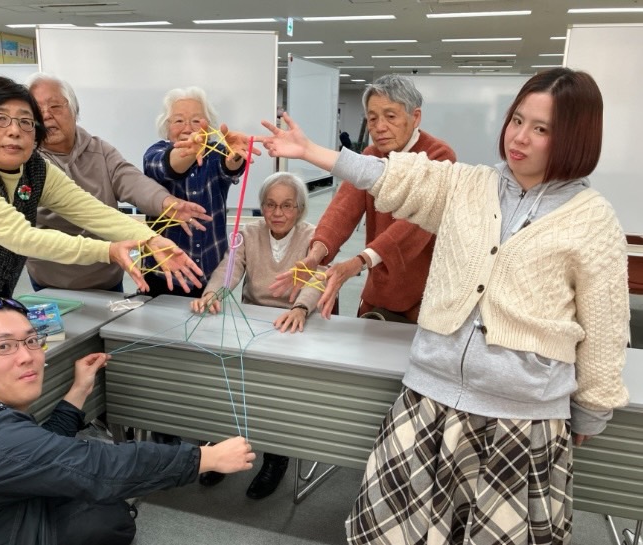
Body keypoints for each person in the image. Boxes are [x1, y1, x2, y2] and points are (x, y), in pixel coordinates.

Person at [259, 68, 630, 544]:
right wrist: (312, 152)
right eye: (517, 120)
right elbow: (394, 178)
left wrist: (593, 407)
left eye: (541, 129)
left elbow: (605, 324)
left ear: (575, 137)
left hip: (520, 415)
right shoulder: (470, 185)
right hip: (428, 399)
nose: (519, 137)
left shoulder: (592, 219)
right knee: (390, 533)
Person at [0, 297, 255, 545]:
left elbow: (40, 454)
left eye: (31, 341)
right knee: (105, 517)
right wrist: (205, 458)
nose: (27, 356)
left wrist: (79, 391)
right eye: (3, 346)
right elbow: (99, 466)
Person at [0, 76, 202, 325]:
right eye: (0, 119)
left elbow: (90, 210)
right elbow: (20, 237)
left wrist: (150, 240)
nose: (14, 131)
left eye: (25, 122)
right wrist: (108, 250)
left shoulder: (35, 168)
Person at [273, 75, 456, 322]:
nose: (379, 127)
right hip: (379, 288)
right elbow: (342, 210)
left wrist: (358, 262)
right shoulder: (372, 154)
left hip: (424, 292)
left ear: (415, 117)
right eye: (372, 118)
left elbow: (412, 226)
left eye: (390, 116)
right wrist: (314, 256)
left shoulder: (439, 156)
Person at [190, 172, 323, 498]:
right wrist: (213, 294)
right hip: (254, 321)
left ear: (300, 209)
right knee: (230, 382)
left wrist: (301, 308)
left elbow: (319, 277)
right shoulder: (248, 233)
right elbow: (229, 268)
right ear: (262, 207)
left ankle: (276, 456)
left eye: (287, 205)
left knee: (278, 391)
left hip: (294, 323)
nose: (278, 212)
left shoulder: (313, 237)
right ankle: (222, 449)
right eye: (270, 204)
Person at [24, 73, 212, 292]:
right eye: (37, 109)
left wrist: (166, 202)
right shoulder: (27, 162)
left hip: (106, 279)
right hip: (50, 283)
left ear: (74, 110)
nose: (46, 115)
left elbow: (129, 179)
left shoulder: (99, 150)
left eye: (55, 106)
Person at [143, 86, 252, 299]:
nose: (188, 128)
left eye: (196, 121)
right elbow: (169, 167)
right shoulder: (154, 153)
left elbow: (230, 165)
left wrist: (236, 156)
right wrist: (192, 151)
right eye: (179, 120)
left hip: (210, 275)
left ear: (207, 126)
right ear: (166, 126)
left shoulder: (216, 152)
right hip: (163, 274)